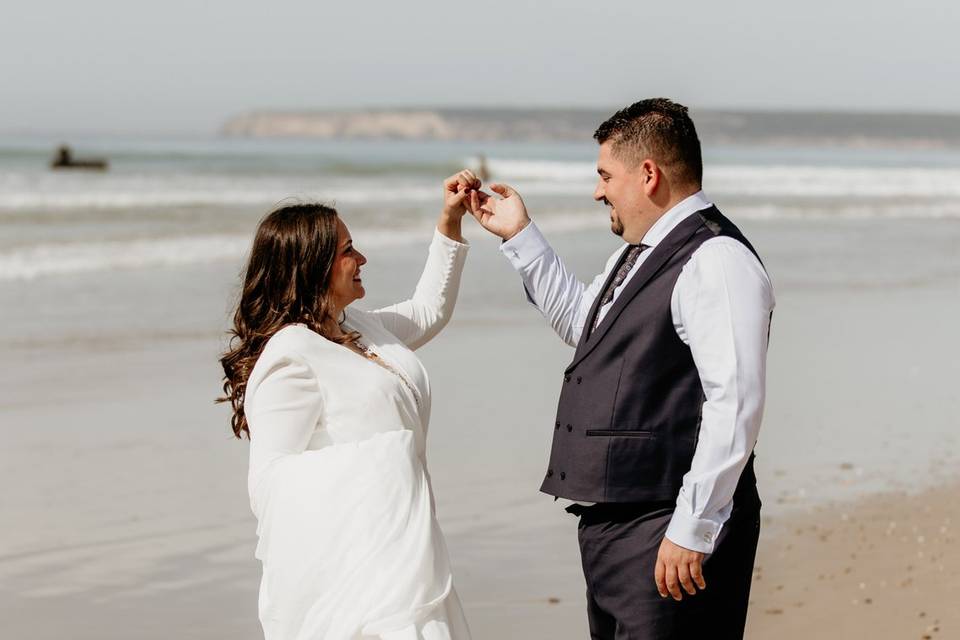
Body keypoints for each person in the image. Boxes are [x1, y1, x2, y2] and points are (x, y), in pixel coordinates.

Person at [466, 98, 774, 639]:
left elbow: (737, 402)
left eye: (605, 175)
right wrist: (520, 236)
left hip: (666, 527)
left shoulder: (716, 259)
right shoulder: (634, 255)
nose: (598, 190)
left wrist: (693, 527)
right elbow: (585, 327)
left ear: (649, 174)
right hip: (620, 527)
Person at [219, 170, 481, 639]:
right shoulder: (290, 356)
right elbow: (270, 484)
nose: (362, 258)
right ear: (312, 265)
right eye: (346, 251)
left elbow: (428, 310)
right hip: (360, 580)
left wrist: (449, 220)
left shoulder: (359, 328)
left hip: (407, 555)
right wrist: (385, 466)